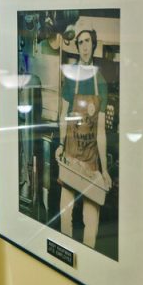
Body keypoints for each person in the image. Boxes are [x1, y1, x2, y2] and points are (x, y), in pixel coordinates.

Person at [55, 27, 112, 248]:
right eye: (80, 43)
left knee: (91, 220)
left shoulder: (102, 84)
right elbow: (63, 116)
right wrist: (60, 145)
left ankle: (88, 261)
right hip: (70, 156)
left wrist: (104, 169)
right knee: (65, 214)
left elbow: (100, 131)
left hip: (90, 160)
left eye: (88, 41)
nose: (85, 46)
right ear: (77, 47)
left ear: (93, 44)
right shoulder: (71, 79)